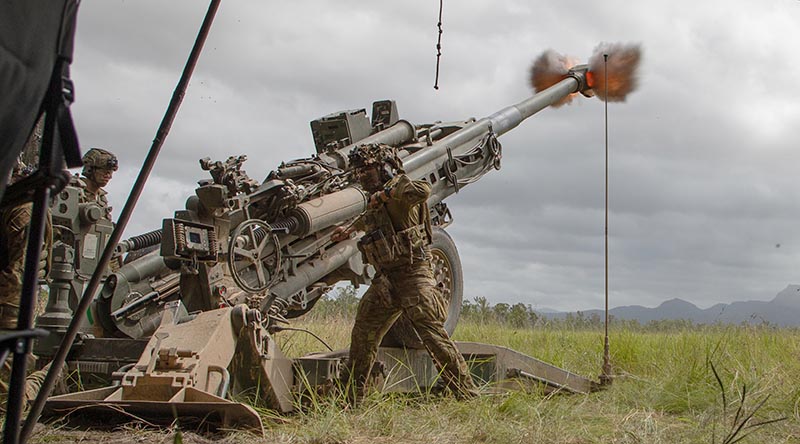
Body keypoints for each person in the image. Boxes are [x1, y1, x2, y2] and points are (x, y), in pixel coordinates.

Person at [332, 143, 478, 400]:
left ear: (385, 168)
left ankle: (466, 394)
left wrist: (389, 190)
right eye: (359, 172)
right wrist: (348, 230)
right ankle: (350, 397)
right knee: (363, 333)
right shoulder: (378, 200)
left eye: (367, 170)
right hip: (387, 280)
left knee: (433, 337)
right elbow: (369, 218)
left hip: (413, 275)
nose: (362, 176)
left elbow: (422, 190)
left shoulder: (399, 189)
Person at [71, 147, 118, 221]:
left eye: (110, 172)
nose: (108, 176)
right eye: (104, 171)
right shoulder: (72, 191)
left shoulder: (101, 199)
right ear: (90, 169)